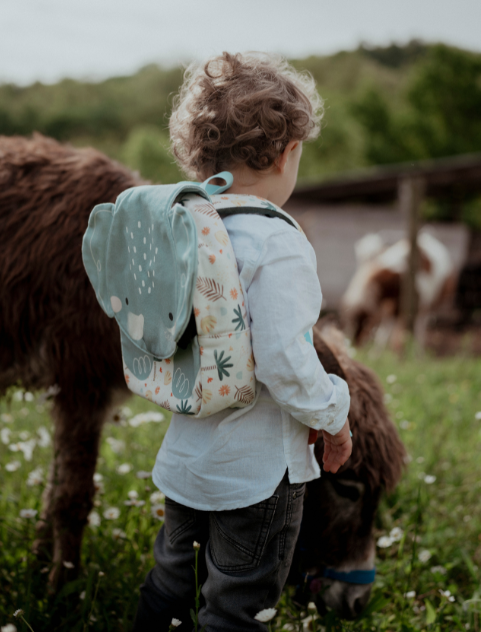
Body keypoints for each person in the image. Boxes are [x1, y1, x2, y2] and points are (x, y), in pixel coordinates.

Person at [133, 52, 352, 632]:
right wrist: (335, 413)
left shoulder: (185, 230)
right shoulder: (275, 242)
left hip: (184, 462)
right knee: (236, 605)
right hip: (257, 476)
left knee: (169, 585)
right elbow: (284, 360)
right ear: (288, 154)